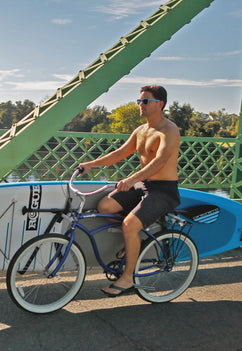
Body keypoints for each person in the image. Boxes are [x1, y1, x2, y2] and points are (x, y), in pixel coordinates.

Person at [78, 85, 181, 297]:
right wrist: (91, 164)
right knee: (105, 206)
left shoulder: (169, 130)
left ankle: (127, 278)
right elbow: (119, 153)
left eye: (145, 101)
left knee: (129, 224)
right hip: (144, 185)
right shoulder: (141, 131)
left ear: (160, 104)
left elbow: (160, 161)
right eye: (139, 101)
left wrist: (133, 178)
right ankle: (135, 240)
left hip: (164, 190)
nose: (140, 105)